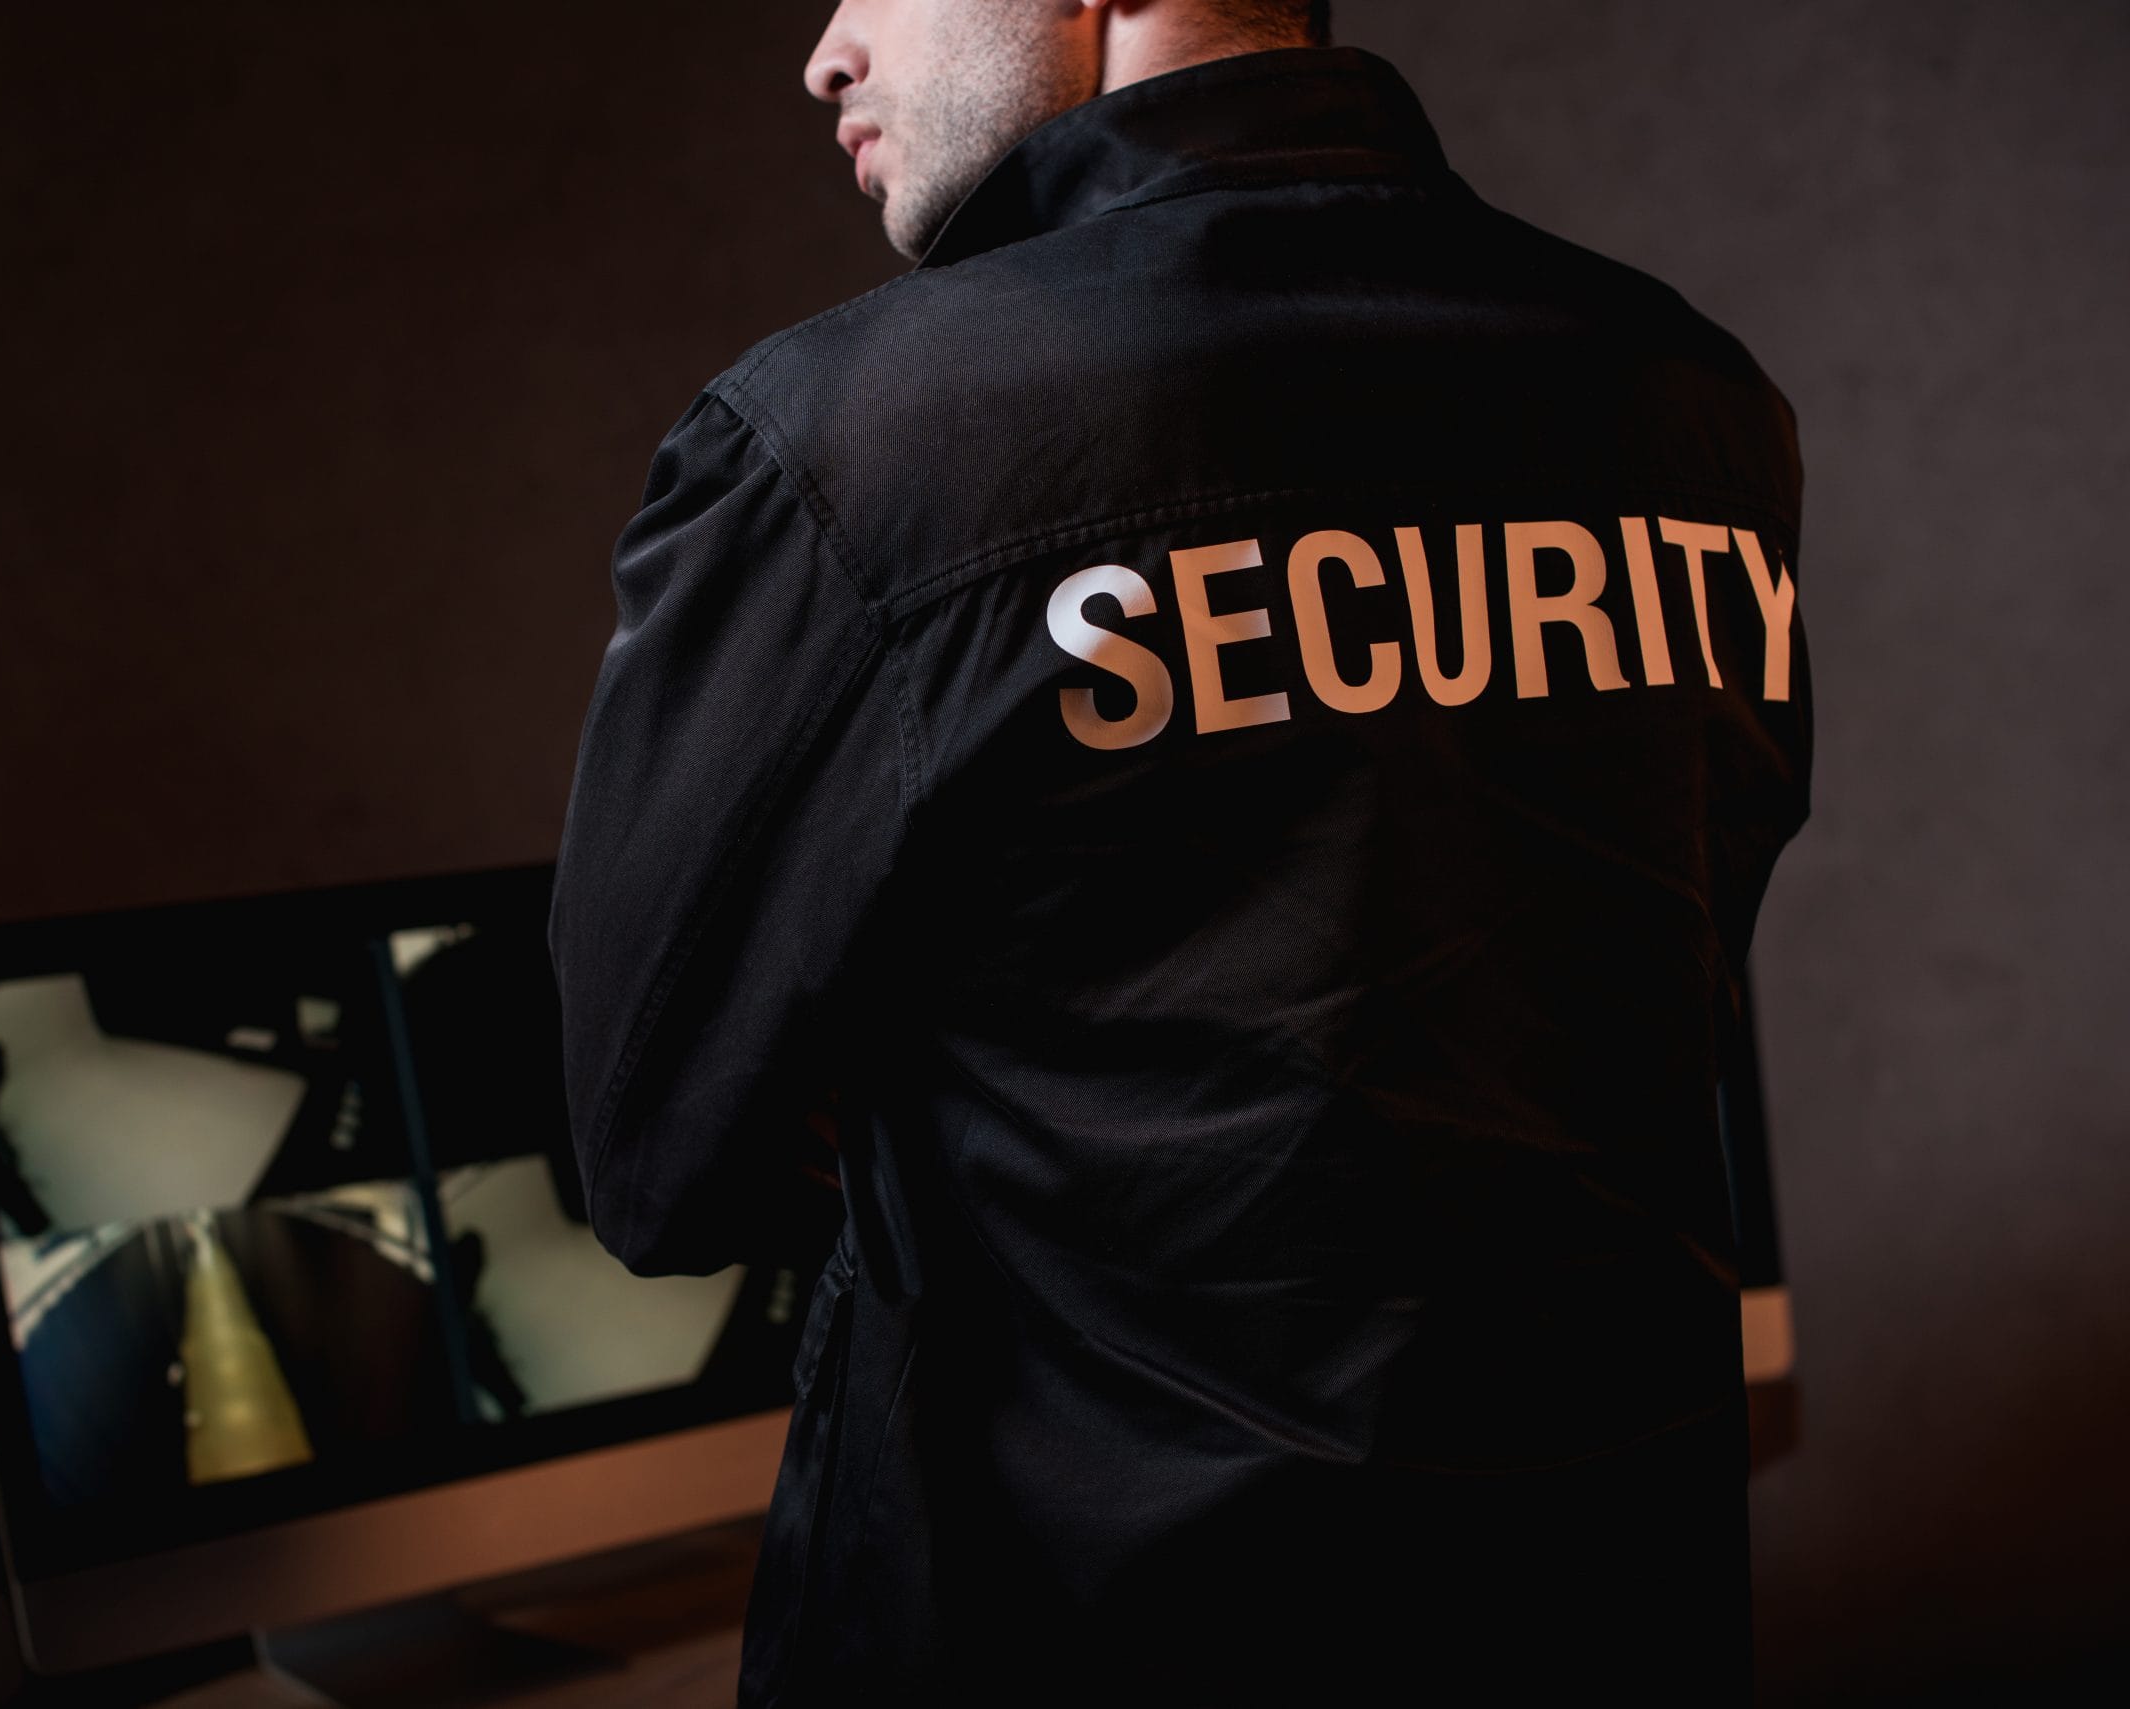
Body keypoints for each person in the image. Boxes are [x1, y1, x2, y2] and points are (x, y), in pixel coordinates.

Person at [548, 1, 1809, 1701]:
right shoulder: (1695, 409)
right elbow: (1634, 969)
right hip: (1610, 1610)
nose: (826, 51)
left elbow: (655, 1158)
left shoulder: (855, 448)